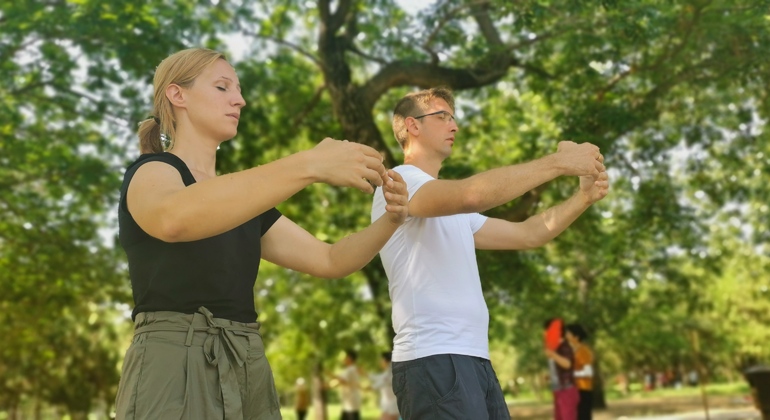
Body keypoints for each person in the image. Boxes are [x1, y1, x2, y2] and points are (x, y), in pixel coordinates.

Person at [114, 47, 409, 420]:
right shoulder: (152, 171)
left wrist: (392, 220)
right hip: (174, 362)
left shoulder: (243, 201)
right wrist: (309, 163)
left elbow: (330, 259)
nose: (240, 99)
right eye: (223, 87)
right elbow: (173, 218)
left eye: (237, 89)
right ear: (177, 95)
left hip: (248, 362)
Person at [370, 86, 609, 419]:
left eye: (454, 117)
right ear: (412, 126)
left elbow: (529, 234)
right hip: (434, 360)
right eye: (442, 116)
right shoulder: (399, 184)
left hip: (473, 358)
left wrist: (582, 199)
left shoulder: (456, 212)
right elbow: (472, 194)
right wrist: (559, 163)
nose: (454, 126)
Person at [545, 319, 578, 420]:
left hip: (567, 390)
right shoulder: (555, 348)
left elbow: (568, 364)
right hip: (558, 389)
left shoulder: (564, 347)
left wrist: (553, 355)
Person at [565, 323, 594, 420]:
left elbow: (588, 372)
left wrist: (571, 374)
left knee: (583, 417)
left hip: (583, 390)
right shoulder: (572, 351)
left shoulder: (583, 350)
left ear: (576, 336)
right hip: (574, 389)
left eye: (568, 333)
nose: (566, 335)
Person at [369, 351, 400, 420]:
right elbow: (377, 378)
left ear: (386, 360)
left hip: (392, 407)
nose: (380, 361)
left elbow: (379, 383)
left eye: (381, 359)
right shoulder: (388, 372)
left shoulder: (390, 373)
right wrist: (365, 374)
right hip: (389, 407)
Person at [332, 349, 362, 420]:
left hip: (351, 404)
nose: (344, 359)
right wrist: (327, 386)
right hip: (348, 404)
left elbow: (342, 380)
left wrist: (327, 372)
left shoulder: (351, 369)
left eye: (346, 357)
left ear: (350, 358)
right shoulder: (351, 369)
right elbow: (341, 382)